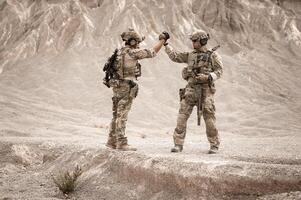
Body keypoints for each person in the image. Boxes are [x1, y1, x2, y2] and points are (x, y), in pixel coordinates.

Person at [105, 29, 169, 151]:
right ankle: (121, 143)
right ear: (133, 41)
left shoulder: (118, 53)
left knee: (116, 115)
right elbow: (152, 52)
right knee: (122, 115)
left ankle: (111, 141)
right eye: (137, 41)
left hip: (117, 87)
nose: (139, 44)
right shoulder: (133, 53)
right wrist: (162, 40)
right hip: (126, 87)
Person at [164, 30, 223, 154]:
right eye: (192, 41)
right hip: (190, 90)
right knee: (181, 117)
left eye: (195, 41)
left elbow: (219, 71)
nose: (193, 43)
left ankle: (214, 144)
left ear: (203, 41)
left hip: (206, 91)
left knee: (209, 119)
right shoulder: (190, 55)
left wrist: (208, 77)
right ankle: (178, 144)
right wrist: (166, 45)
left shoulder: (213, 56)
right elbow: (175, 56)